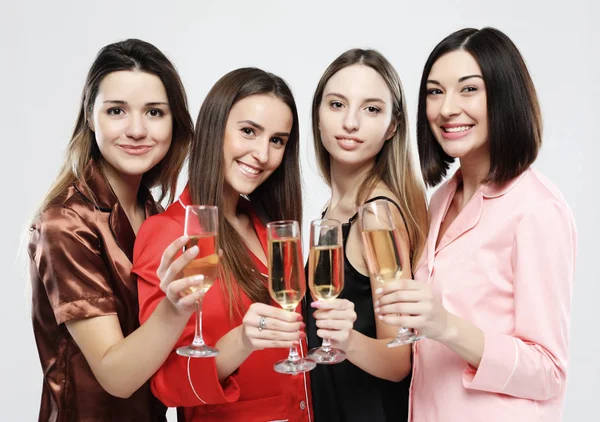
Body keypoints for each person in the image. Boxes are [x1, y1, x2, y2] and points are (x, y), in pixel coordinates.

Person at [375, 27, 577, 421]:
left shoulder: (537, 209)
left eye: (469, 89)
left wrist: (446, 326)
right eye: (435, 92)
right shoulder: (439, 201)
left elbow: (550, 371)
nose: (447, 108)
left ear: (504, 96)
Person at [134, 67, 340, 421]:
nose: (262, 154)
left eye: (277, 141)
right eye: (248, 132)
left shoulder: (268, 226)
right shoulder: (169, 232)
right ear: (215, 130)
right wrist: (243, 340)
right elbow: (166, 385)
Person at [27, 39, 203, 421]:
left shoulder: (156, 215)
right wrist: (176, 309)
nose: (137, 129)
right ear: (90, 117)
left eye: (154, 112)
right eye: (117, 111)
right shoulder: (65, 222)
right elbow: (116, 376)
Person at [306, 48, 429, 421]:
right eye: (337, 104)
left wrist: (345, 341)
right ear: (318, 114)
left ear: (392, 125)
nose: (351, 122)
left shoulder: (378, 215)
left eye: (371, 109)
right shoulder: (335, 208)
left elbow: (398, 359)